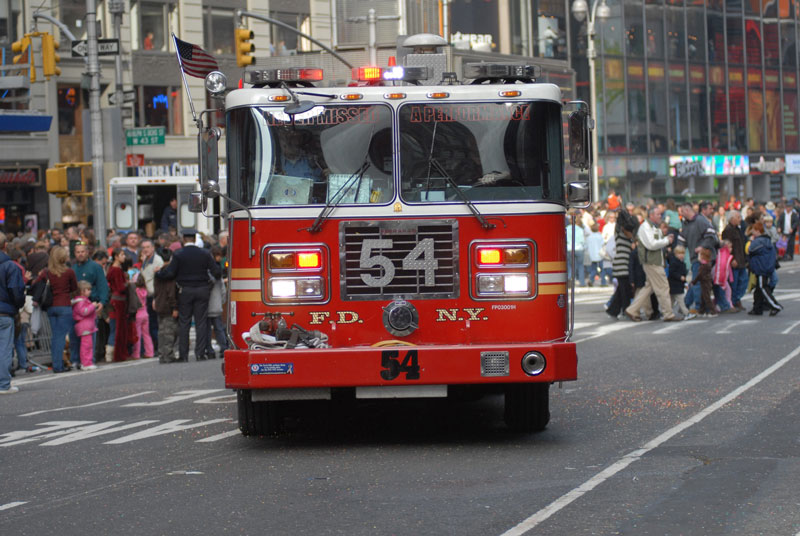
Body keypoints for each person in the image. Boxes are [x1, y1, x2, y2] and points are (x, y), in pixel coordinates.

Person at [156, 229, 221, 362]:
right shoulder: (204, 253)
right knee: (201, 322)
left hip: (185, 290)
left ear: (184, 239)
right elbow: (216, 272)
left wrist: (158, 274)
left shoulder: (179, 254)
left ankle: (183, 355)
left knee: (184, 322)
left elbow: (170, 273)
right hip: (202, 289)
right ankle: (200, 353)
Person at [625, 207, 679, 322]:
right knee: (663, 287)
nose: (661, 216)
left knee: (648, 288)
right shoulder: (646, 227)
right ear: (651, 216)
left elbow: (653, 243)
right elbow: (651, 244)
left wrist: (665, 239)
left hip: (653, 262)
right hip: (652, 262)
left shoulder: (652, 227)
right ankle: (668, 314)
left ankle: (632, 310)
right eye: (658, 214)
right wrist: (666, 241)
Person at [33, 246, 77, 373]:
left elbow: (36, 285)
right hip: (64, 306)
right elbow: (74, 287)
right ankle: (58, 366)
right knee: (60, 337)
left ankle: (57, 363)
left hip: (51, 306)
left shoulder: (46, 272)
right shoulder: (69, 272)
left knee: (55, 337)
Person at [70, 242, 109, 368]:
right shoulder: (73, 269)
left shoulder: (95, 267)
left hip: (91, 304)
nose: (80, 254)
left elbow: (103, 285)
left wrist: (102, 302)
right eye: (78, 252)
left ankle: (88, 360)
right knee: (75, 334)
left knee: (89, 335)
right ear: (74, 253)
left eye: (82, 251)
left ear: (87, 252)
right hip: (75, 306)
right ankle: (75, 360)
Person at [0, 232, 25, 394]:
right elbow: (16, 291)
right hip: (5, 312)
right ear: (5, 246)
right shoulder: (10, 266)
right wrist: (18, 304)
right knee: (4, 348)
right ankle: (3, 384)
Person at [747, 222, 782, 316]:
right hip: (766, 267)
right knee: (758, 288)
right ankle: (757, 308)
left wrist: (751, 241)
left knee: (762, 287)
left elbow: (750, 250)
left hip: (761, 268)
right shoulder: (767, 240)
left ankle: (775, 305)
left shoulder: (758, 242)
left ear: (758, 231)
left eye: (753, 230)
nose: (752, 233)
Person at [106, 249, 131, 362]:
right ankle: (114, 354)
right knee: (118, 328)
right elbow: (120, 287)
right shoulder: (116, 270)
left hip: (114, 300)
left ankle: (110, 354)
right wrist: (128, 284)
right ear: (116, 256)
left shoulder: (111, 269)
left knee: (114, 327)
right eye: (122, 254)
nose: (124, 257)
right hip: (119, 300)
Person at [139, 239, 164, 352]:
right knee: (150, 324)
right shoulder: (145, 260)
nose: (145, 250)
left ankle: (159, 347)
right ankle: (154, 348)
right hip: (146, 296)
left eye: (148, 247)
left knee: (155, 324)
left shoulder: (157, 261)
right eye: (143, 247)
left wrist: (156, 297)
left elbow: (159, 280)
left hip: (155, 295)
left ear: (153, 248)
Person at [153, 259, 179, 364]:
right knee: (169, 331)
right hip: (168, 306)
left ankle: (162, 354)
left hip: (159, 304)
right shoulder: (170, 275)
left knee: (161, 332)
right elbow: (171, 293)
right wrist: (175, 307)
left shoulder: (157, 274)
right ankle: (168, 355)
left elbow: (156, 289)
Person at [721, 212, 748, 312]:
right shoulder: (727, 231)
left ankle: (736, 299)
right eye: (738, 217)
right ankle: (733, 301)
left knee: (743, 281)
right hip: (734, 261)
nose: (740, 219)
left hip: (741, 260)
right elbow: (726, 247)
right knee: (734, 283)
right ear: (732, 219)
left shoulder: (738, 229)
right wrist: (732, 259)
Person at [205, 246, 227, 360]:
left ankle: (209, 349)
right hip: (217, 305)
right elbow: (223, 291)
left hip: (207, 305)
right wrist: (222, 301)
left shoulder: (206, 272)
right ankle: (223, 347)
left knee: (207, 329)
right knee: (219, 328)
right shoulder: (218, 273)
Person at [72, 281, 98, 370]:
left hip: (86, 326)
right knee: (86, 346)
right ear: (82, 291)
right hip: (85, 326)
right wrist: (92, 306)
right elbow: (84, 312)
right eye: (88, 290)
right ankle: (86, 363)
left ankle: (87, 362)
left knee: (87, 345)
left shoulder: (82, 301)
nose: (90, 291)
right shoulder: (81, 302)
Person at [131, 274, 154, 359]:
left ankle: (136, 353)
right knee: (146, 334)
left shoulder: (136, 291)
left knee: (138, 335)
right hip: (145, 313)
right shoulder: (145, 290)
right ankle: (149, 352)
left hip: (138, 314)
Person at [691, 248, 716, 317]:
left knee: (707, 298)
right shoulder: (707, 265)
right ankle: (701, 311)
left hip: (705, 284)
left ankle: (713, 311)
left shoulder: (704, 266)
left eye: (699, 255)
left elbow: (699, 275)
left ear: (702, 257)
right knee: (703, 297)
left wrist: (694, 282)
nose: (698, 257)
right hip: (705, 283)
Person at [667, 245, 690, 319]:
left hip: (678, 285)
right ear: (676, 254)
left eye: (682, 254)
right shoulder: (674, 262)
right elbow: (672, 272)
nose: (681, 255)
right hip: (675, 285)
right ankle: (686, 313)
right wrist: (680, 277)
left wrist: (685, 283)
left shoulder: (682, 263)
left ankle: (667, 312)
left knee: (672, 301)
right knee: (680, 301)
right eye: (679, 254)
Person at [566, 215, 586, 286]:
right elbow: (583, 241)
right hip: (579, 248)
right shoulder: (580, 229)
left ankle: (570, 279)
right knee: (580, 266)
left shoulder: (567, 228)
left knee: (570, 265)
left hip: (569, 248)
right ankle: (582, 282)